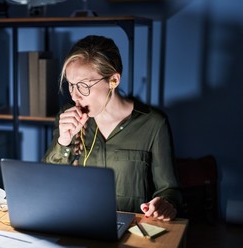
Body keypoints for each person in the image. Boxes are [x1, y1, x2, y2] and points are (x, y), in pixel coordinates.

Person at [42, 35, 181, 221]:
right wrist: (63, 141)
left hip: (134, 232)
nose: (75, 96)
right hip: (80, 225)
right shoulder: (67, 118)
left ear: (113, 80)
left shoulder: (154, 124)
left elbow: (169, 190)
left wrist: (164, 204)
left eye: (83, 86)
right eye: (71, 85)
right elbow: (45, 184)